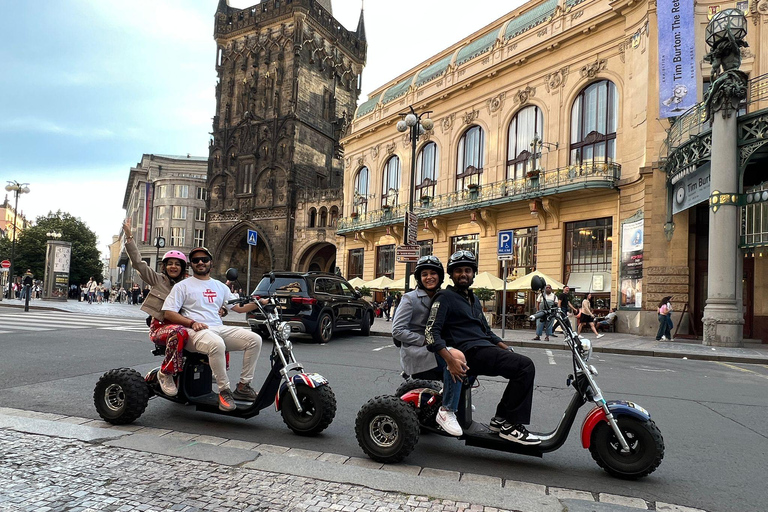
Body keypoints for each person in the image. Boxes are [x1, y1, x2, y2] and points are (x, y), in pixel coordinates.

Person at [425, 251, 540, 445]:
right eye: (459, 270)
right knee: (525, 366)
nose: (464, 274)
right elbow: (430, 333)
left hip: (484, 348)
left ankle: (500, 420)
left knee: (520, 364)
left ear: (473, 273)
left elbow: (488, 332)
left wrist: (507, 349)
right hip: (469, 352)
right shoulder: (444, 297)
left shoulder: (474, 299)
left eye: (468, 270)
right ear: (451, 275)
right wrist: (450, 360)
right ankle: (509, 424)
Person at [162, 246, 265, 412]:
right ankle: (224, 390)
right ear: (191, 265)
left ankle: (243, 387)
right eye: (196, 260)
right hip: (194, 332)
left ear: (211, 263)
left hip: (216, 327)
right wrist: (190, 323)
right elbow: (168, 313)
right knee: (216, 344)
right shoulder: (183, 286)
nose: (201, 262)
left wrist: (262, 303)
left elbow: (237, 307)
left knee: (254, 339)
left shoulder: (220, 286)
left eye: (204, 259)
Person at [393, 256, 467, 437]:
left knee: (469, 355)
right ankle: (447, 410)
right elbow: (397, 330)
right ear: (419, 278)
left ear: (440, 276)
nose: (429, 277)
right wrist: (426, 340)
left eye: (433, 273)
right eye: (424, 274)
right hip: (418, 350)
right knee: (455, 360)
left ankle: (453, 396)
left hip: (438, 347)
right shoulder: (410, 298)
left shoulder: (444, 296)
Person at [123, 218, 190, 396]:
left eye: (177, 264)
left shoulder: (188, 285)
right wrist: (129, 237)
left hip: (184, 326)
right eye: (170, 264)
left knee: (216, 331)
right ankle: (165, 373)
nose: (173, 267)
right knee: (178, 331)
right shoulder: (158, 280)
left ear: (183, 268)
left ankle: (211, 370)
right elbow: (138, 263)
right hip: (161, 328)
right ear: (165, 267)